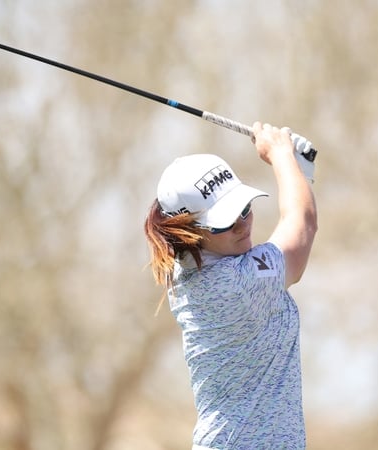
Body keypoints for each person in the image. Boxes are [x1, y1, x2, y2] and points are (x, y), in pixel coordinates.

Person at [143, 122, 318, 449]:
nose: (242, 224)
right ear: (191, 231)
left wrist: (298, 170)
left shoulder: (194, 266)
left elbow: (298, 223)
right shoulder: (232, 285)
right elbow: (302, 226)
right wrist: (281, 156)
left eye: (244, 208)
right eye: (224, 221)